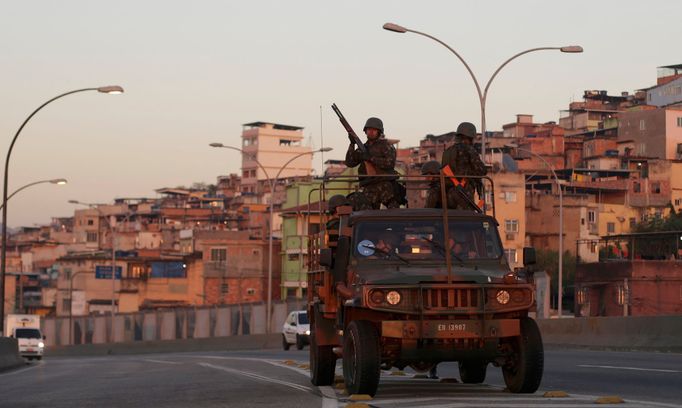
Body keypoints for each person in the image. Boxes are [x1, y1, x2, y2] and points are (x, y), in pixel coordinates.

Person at [345, 117, 406, 209]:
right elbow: (350, 162)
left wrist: (371, 158)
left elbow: (389, 163)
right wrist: (352, 144)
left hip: (385, 185)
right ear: (365, 131)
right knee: (368, 213)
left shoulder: (386, 145)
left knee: (393, 210)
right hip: (369, 185)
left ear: (379, 131)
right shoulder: (363, 148)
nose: (371, 132)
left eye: (374, 130)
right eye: (369, 129)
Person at [440, 122, 487, 210]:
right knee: (466, 218)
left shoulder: (448, 151)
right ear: (470, 137)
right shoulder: (469, 149)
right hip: (464, 191)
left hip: (448, 191)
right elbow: (481, 170)